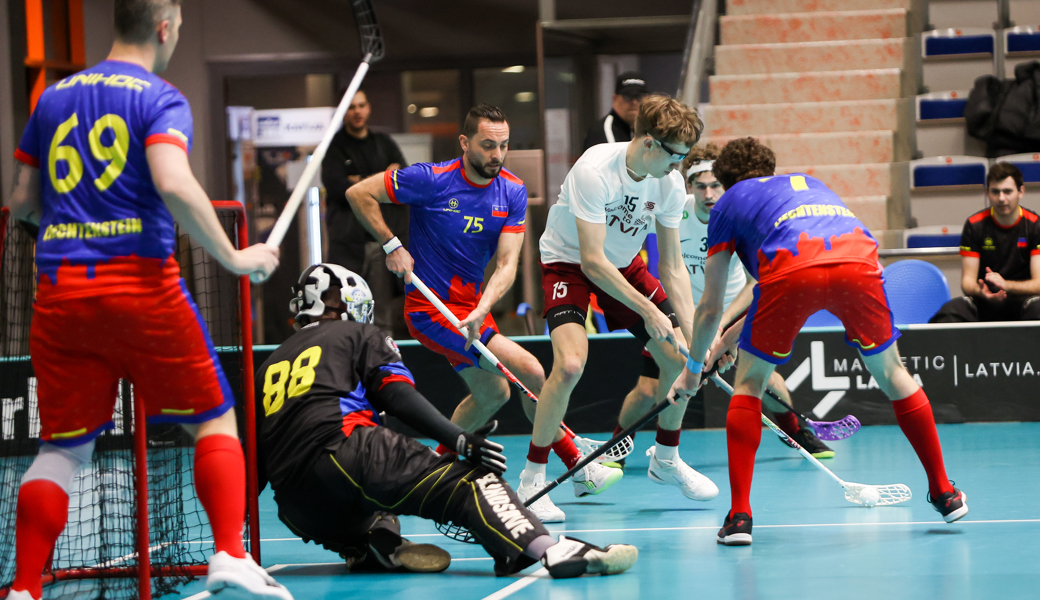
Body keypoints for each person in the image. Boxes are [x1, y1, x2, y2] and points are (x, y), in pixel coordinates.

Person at [4, 1, 289, 598]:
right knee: (215, 420)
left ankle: (25, 589)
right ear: (164, 27)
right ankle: (229, 554)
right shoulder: (159, 97)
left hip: (60, 296)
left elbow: (24, 199)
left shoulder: (52, 100)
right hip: (139, 286)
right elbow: (171, 180)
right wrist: (238, 259)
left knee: (60, 450)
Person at [256, 263, 638, 579]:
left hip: (296, 505)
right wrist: (459, 440)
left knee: (375, 504)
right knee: (475, 481)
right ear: (353, 304)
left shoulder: (269, 364)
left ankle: (369, 544)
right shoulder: (360, 334)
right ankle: (551, 551)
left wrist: (232, 538)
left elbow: (255, 457)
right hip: (347, 450)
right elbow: (396, 395)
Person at [682, 137, 967, 546]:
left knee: (749, 385)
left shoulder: (729, 204)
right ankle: (945, 492)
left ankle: (740, 517)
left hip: (793, 270)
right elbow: (781, 276)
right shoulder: (808, 186)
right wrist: (729, 339)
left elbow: (712, 305)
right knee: (894, 374)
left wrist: (694, 367)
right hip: (860, 261)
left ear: (726, 182)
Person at [345, 104, 620, 524]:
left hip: (475, 310)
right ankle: (570, 465)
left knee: (494, 393)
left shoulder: (511, 191)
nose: (497, 154)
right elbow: (357, 193)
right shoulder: (431, 180)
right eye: (488, 145)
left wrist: (485, 307)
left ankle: (431, 472)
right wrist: (390, 244)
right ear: (465, 143)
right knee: (530, 370)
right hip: (431, 309)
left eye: (504, 146)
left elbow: (508, 265)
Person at [535, 94, 711, 517]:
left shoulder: (668, 182)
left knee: (680, 358)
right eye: (675, 156)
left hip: (625, 264)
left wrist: (694, 339)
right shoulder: (595, 170)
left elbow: (671, 266)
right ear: (649, 143)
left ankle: (666, 460)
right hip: (569, 263)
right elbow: (592, 262)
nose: (679, 168)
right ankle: (532, 481)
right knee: (571, 364)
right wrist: (650, 312)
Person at [616, 144, 835, 461]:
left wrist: (720, 326)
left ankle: (797, 433)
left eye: (715, 185)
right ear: (689, 186)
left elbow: (754, 283)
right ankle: (617, 447)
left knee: (765, 379)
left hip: (731, 311)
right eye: (701, 186)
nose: (709, 194)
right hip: (682, 314)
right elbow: (631, 232)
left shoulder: (737, 216)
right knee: (649, 389)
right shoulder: (674, 211)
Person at [322, 89, 410, 337]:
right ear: (344, 112)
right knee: (344, 314)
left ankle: (383, 368)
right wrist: (381, 179)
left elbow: (402, 181)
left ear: (368, 108)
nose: (357, 111)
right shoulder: (334, 149)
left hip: (380, 242)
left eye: (361, 105)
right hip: (348, 246)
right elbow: (340, 188)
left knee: (381, 317)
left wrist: (359, 181)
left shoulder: (384, 144)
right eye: (351, 107)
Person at [930, 162, 1040, 323]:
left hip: (1023, 300)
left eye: (1007, 191)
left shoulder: (1035, 225)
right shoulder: (975, 225)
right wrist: (982, 292)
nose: (1001, 198)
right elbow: (967, 282)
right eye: (995, 192)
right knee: (948, 314)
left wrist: (1006, 285)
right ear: (987, 193)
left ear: (1020, 192)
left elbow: (1038, 284)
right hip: (985, 300)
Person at [582, 72, 648, 151]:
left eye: (639, 96)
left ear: (647, 98)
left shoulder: (653, 129)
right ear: (615, 98)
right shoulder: (600, 132)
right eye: (628, 96)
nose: (634, 102)